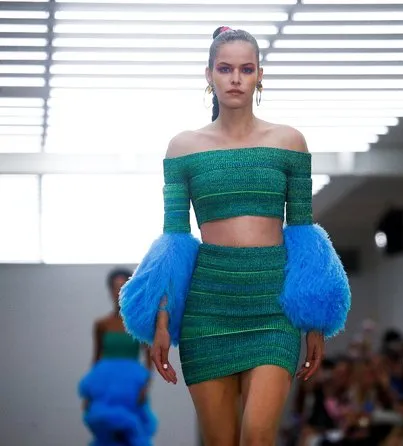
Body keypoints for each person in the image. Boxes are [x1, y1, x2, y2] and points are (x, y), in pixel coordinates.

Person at [118, 26, 351, 446]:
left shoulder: (290, 142)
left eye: (246, 69)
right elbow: (174, 238)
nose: (236, 78)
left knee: (259, 436)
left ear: (261, 74)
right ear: (208, 75)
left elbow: (302, 232)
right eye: (225, 69)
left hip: (272, 307)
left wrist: (314, 318)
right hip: (208, 309)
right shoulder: (183, 148)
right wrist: (163, 319)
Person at [78, 268, 157, 446]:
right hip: (104, 389)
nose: (119, 292)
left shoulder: (138, 324)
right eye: (115, 287)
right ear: (109, 290)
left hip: (131, 390)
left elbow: (149, 358)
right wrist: (89, 393)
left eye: (124, 287)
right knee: (106, 434)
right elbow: (96, 358)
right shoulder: (102, 324)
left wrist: (145, 387)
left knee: (131, 433)